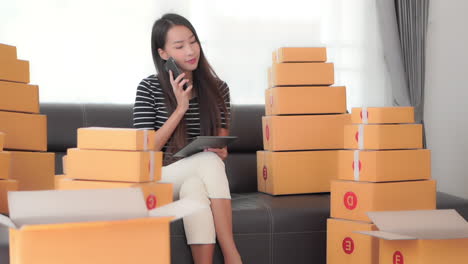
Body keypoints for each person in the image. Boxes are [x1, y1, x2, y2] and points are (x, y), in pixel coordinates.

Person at [133, 13, 242, 264]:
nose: (191, 51)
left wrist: (220, 150)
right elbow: (145, 151)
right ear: (163, 54)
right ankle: (232, 255)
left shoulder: (219, 88)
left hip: (197, 175)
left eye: (193, 42)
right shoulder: (148, 88)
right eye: (180, 46)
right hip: (157, 179)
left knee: (196, 185)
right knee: (206, 162)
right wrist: (180, 107)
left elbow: (220, 145)